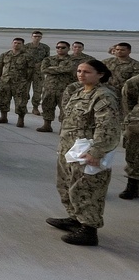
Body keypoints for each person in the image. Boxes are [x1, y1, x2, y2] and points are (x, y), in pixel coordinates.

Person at [45, 59, 122, 246]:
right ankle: (75, 219)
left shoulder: (103, 96)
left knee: (87, 190)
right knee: (66, 186)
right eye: (79, 71)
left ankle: (89, 230)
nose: (81, 74)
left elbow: (108, 127)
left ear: (100, 74)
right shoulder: (78, 92)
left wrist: (96, 152)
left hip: (88, 151)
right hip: (70, 149)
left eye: (87, 72)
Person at [0, 37, 34, 127]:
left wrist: (26, 81)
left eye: (19, 43)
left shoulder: (27, 56)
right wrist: (0, 79)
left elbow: (31, 70)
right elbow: (0, 68)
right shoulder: (5, 55)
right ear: (12, 43)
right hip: (5, 82)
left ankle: (21, 120)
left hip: (20, 83)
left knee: (21, 102)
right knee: (3, 100)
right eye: (15, 43)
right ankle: (3, 117)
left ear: (22, 45)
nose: (16, 45)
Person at [37, 41, 75, 131]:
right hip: (49, 87)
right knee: (47, 105)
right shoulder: (49, 59)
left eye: (63, 47)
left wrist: (52, 69)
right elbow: (43, 70)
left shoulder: (72, 60)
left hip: (65, 88)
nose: (60, 49)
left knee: (64, 108)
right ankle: (47, 125)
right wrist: (61, 70)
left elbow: (69, 69)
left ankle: (63, 127)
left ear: (68, 49)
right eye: (58, 47)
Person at [119, 74, 139, 200]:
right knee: (134, 155)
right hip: (137, 124)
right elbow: (128, 97)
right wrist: (131, 117)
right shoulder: (135, 81)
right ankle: (133, 185)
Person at [24, 31, 50, 115]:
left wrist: (41, 64)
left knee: (38, 91)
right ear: (31, 37)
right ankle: (23, 106)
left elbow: (47, 59)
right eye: (35, 36)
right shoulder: (26, 47)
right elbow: (21, 58)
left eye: (39, 36)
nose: (37, 38)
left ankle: (35, 107)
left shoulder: (45, 47)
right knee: (24, 90)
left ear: (41, 37)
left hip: (39, 72)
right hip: (27, 71)